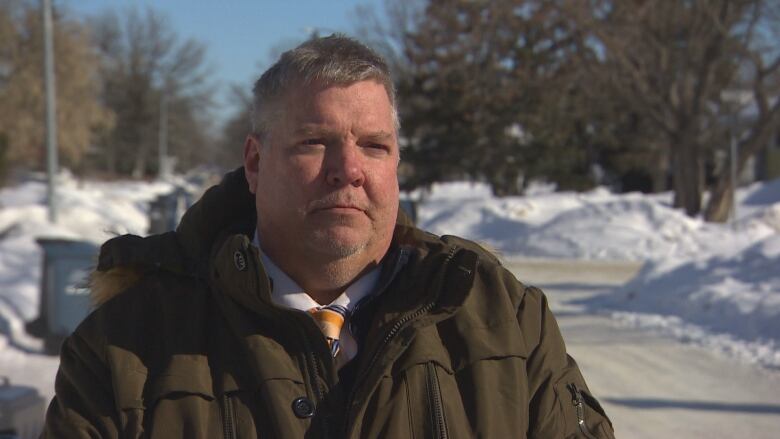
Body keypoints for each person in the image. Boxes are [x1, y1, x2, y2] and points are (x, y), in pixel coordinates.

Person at [42, 35, 614, 438]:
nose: (349, 169)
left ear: (396, 165)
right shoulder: (126, 348)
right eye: (315, 142)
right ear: (255, 162)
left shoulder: (505, 319)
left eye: (374, 145)